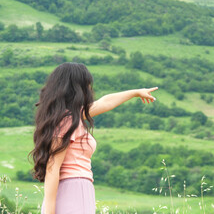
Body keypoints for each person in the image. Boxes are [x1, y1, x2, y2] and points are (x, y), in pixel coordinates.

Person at [29, 62, 158, 214]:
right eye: (87, 84)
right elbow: (53, 167)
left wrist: (136, 92)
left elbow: (105, 102)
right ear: (76, 88)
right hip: (74, 190)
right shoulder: (67, 121)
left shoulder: (70, 117)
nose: (90, 89)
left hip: (75, 190)